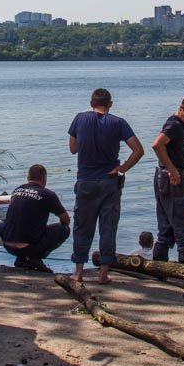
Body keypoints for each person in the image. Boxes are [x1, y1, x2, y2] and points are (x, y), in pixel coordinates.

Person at [68, 87, 145, 284]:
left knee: (82, 227)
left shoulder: (79, 119)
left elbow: (73, 148)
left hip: (86, 181)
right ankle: (103, 273)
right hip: (110, 183)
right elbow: (138, 150)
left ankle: (78, 272)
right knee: (108, 228)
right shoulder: (119, 123)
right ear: (110, 104)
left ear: (91, 103)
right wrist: (123, 168)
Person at [150, 94, 184, 262]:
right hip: (171, 177)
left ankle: (159, 263)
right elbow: (157, 145)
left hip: (165, 175)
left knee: (166, 223)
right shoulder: (174, 125)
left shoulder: (178, 124)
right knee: (182, 220)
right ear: (181, 108)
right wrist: (172, 170)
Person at [2, 164, 71, 273]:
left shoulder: (17, 190)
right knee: (64, 229)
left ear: (28, 177)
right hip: (27, 247)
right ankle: (34, 258)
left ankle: (21, 259)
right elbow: (66, 219)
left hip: (7, 245)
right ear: (44, 178)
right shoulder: (48, 194)